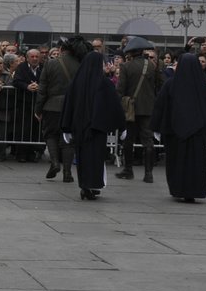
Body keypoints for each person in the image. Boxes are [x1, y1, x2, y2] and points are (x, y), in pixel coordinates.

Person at [151, 52, 206, 203]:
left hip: (175, 132)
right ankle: (193, 190)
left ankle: (178, 188)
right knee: (195, 162)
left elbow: (160, 106)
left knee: (176, 162)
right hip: (198, 132)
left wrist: (158, 126)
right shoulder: (204, 86)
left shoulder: (171, 84)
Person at [58, 37, 124, 199]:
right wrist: (121, 126)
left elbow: (68, 106)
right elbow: (115, 106)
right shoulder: (105, 84)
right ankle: (92, 185)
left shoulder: (76, 83)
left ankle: (84, 185)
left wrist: (66, 127)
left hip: (80, 127)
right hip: (98, 128)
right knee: (95, 158)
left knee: (82, 157)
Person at [116, 41, 163, 183]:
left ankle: (128, 170)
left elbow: (121, 89)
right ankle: (148, 174)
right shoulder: (153, 66)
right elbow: (159, 85)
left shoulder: (125, 66)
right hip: (148, 108)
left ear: (131, 52)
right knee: (148, 141)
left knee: (128, 140)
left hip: (131, 108)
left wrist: (118, 105)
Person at [37, 40, 76, 181]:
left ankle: (54, 163)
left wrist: (38, 108)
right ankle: (67, 172)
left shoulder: (51, 64)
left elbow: (42, 89)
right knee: (68, 139)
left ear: (60, 49)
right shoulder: (80, 64)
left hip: (52, 105)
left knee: (50, 135)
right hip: (72, 106)